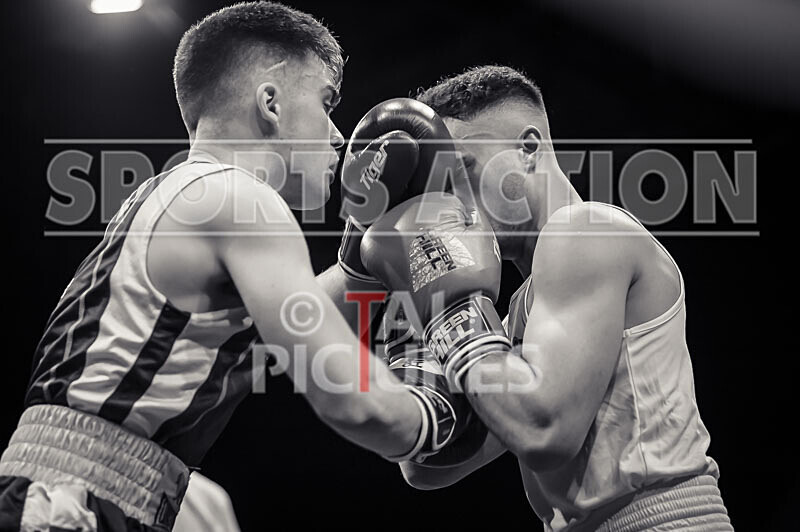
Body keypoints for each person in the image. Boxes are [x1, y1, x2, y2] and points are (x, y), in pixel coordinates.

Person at [0, 3, 470, 530]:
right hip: (75, 504)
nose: (338, 135)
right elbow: (352, 401)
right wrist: (440, 413)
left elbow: (281, 328)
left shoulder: (177, 193)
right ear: (270, 103)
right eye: (326, 102)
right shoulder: (241, 200)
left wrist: (361, 256)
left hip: (79, 487)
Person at [362, 66, 732, 531]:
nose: (451, 199)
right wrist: (418, 300)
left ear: (528, 148)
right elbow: (431, 464)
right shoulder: (521, 313)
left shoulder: (585, 229)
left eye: (463, 169)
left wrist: (448, 314)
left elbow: (543, 431)